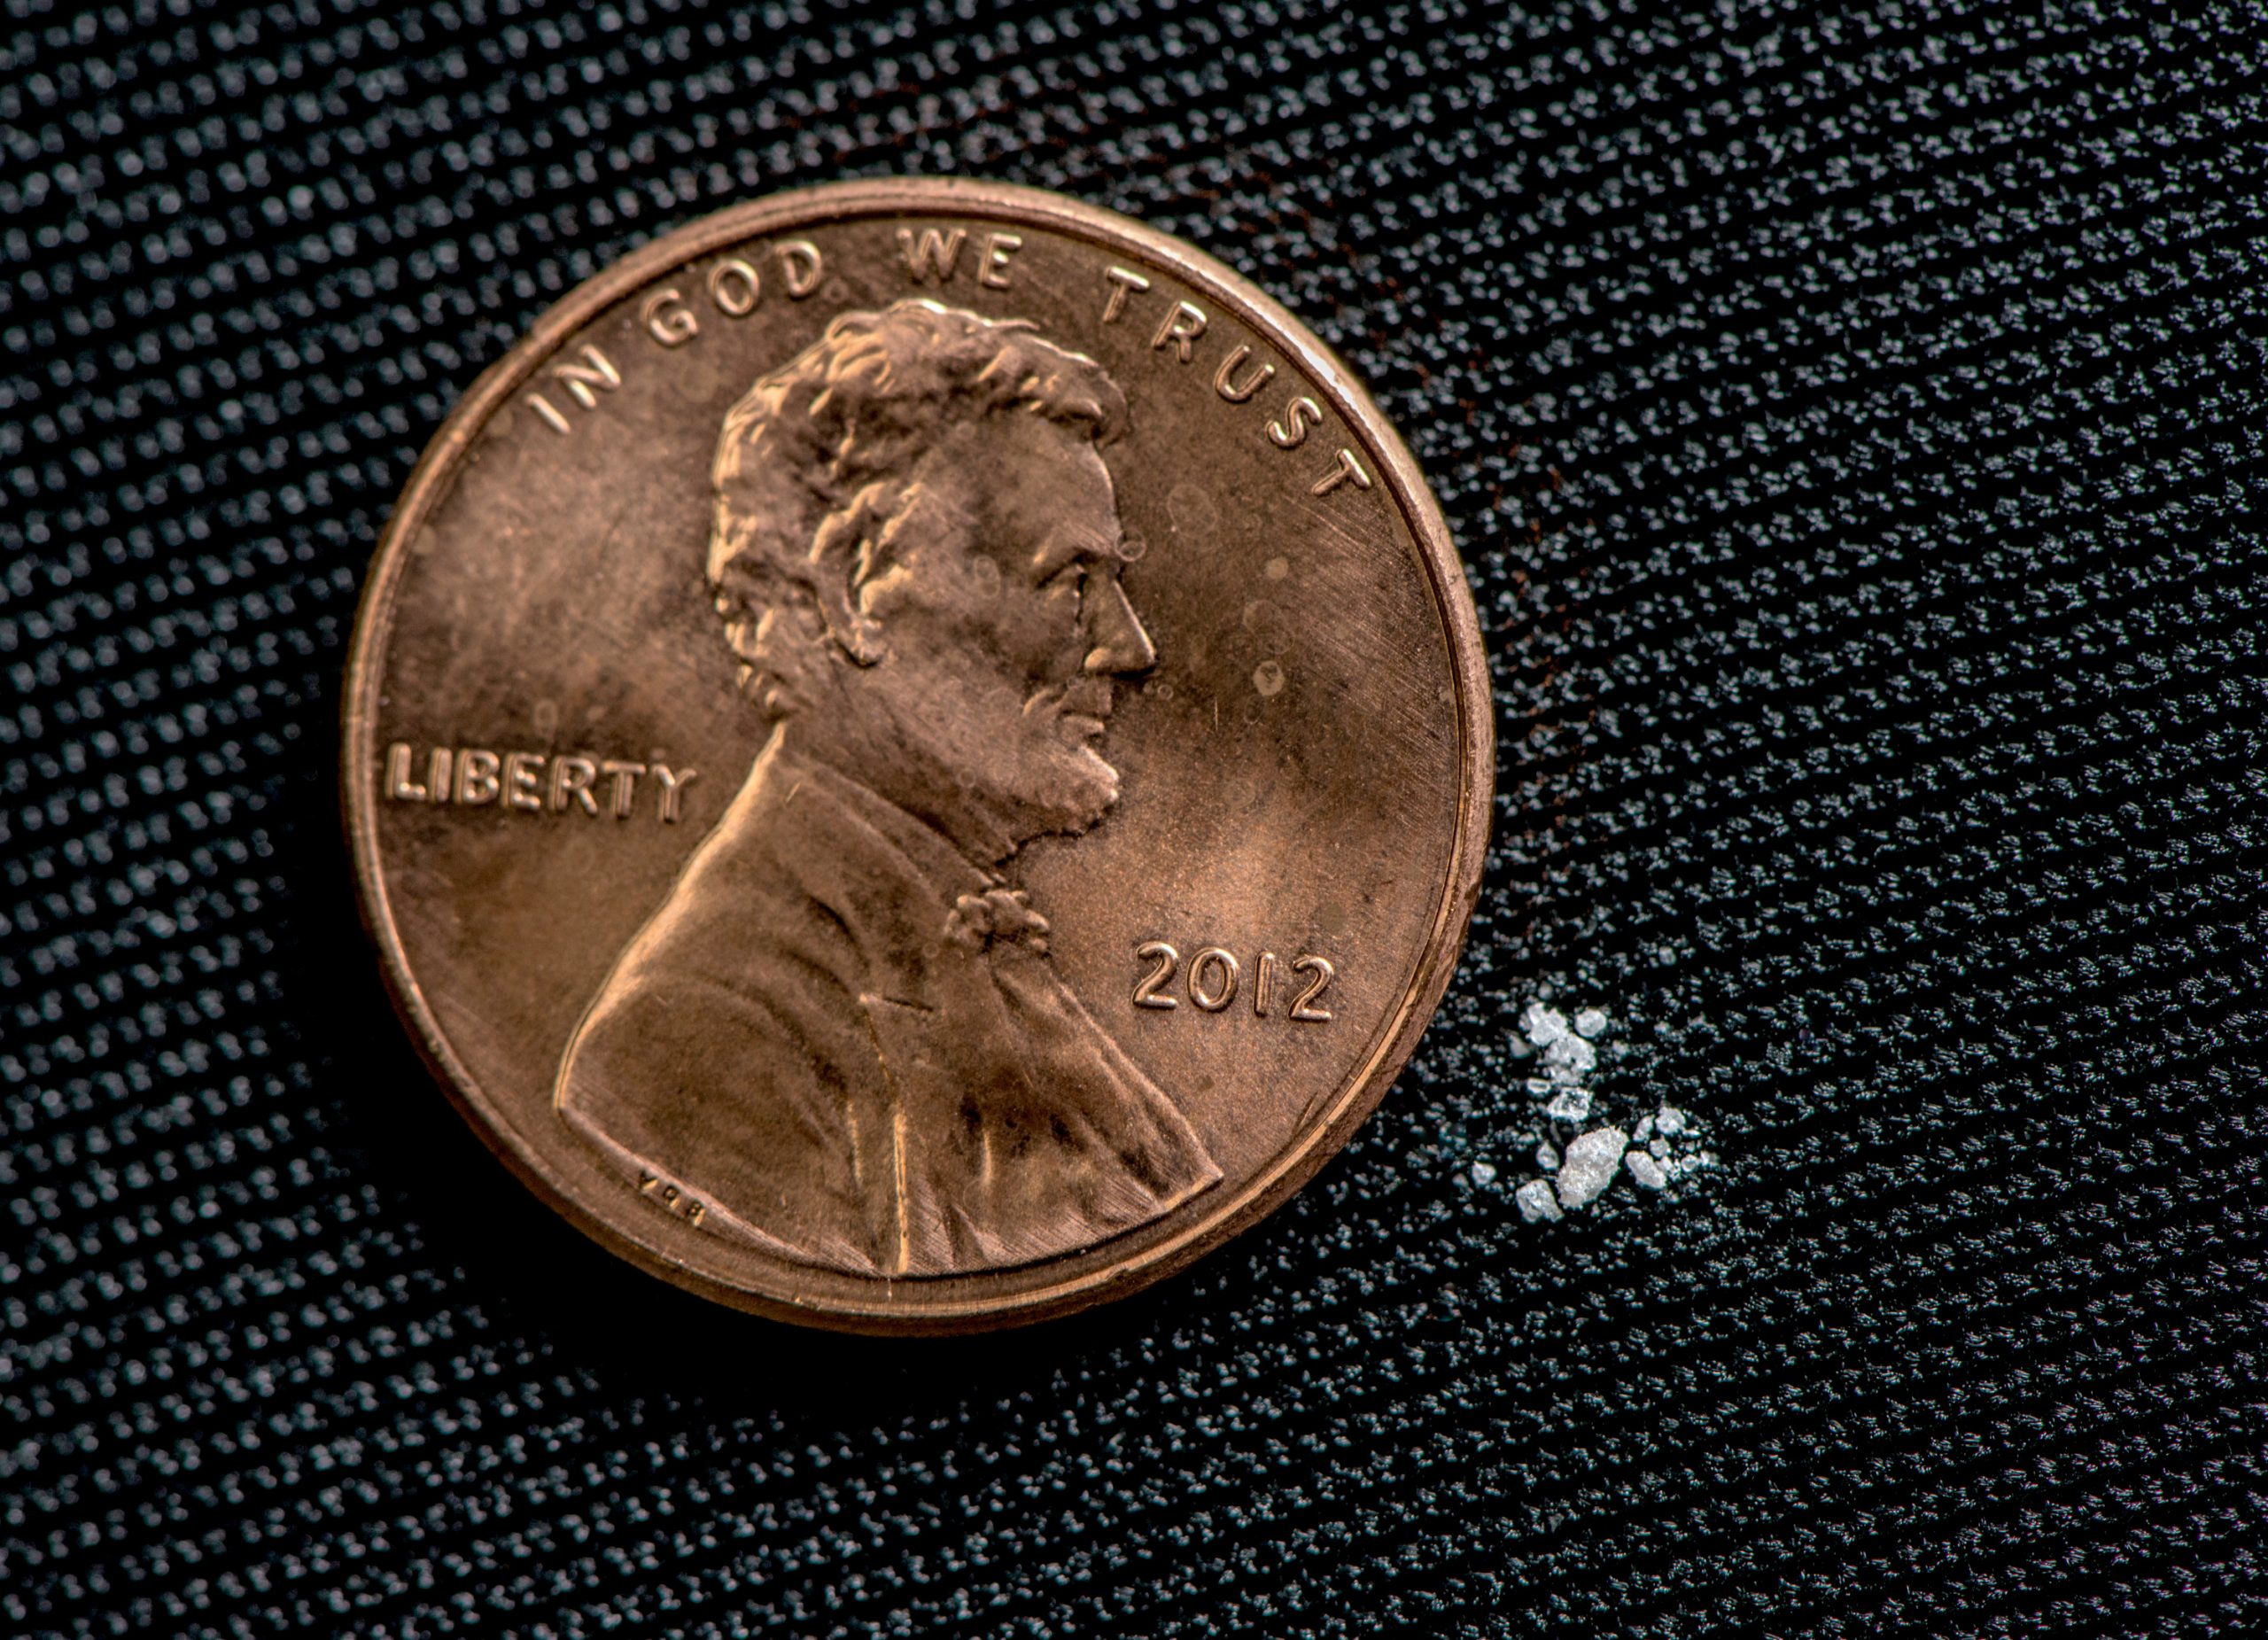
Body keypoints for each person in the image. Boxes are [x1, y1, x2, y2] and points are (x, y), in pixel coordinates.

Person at [555, 299, 1220, 1278]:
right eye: (1069, 580)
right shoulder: (697, 1030)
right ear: (844, 594)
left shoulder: (974, 941)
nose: (1128, 647)